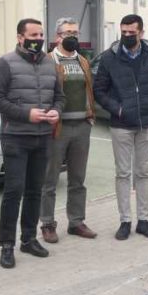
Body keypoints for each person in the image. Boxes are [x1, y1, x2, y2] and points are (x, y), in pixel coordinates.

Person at [0, 18, 64, 268]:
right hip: (16, 137)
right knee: (14, 191)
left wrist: (56, 111)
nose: (38, 39)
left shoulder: (50, 64)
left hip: (43, 138)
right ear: (20, 37)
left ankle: (28, 239)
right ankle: (7, 245)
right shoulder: (6, 63)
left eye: (41, 34)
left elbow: (59, 97)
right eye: (33, 34)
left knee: (35, 191)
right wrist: (26, 114)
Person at [93, 14, 148, 241]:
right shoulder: (109, 58)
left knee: (143, 173)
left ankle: (143, 221)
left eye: (131, 33)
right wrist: (117, 109)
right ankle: (125, 221)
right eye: (124, 32)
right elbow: (99, 91)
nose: (127, 36)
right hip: (121, 125)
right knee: (123, 173)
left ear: (141, 33)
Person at [40, 18, 98, 243]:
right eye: (67, 33)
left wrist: (90, 116)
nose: (72, 36)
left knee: (78, 179)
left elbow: (89, 90)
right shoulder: (47, 61)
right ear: (58, 37)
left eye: (75, 32)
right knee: (50, 179)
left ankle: (76, 222)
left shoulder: (83, 61)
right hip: (57, 128)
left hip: (82, 126)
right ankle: (47, 223)